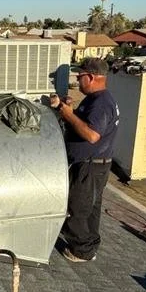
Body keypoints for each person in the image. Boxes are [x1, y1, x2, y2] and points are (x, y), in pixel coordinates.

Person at [49, 57, 120, 262]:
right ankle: (89, 246)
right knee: (90, 210)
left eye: (79, 77)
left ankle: (82, 251)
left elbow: (91, 135)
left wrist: (69, 115)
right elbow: (84, 123)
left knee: (75, 209)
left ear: (90, 77)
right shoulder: (97, 98)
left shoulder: (100, 103)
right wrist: (66, 108)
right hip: (94, 166)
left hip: (89, 168)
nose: (77, 81)